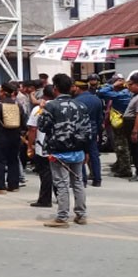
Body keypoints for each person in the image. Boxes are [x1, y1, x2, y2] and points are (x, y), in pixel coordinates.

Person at [40, 74, 90, 228]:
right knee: (78, 182)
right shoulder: (81, 106)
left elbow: (43, 126)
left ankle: (62, 217)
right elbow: (88, 130)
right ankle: (81, 215)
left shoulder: (51, 106)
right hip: (78, 150)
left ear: (55, 88)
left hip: (58, 150)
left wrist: (42, 109)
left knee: (61, 184)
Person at [0, 82, 25, 192]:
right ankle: (13, 185)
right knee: (13, 160)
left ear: (3, 92)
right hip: (15, 137)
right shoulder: (17, 105)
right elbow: (23, 121)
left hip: (1, 136)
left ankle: (0, 186)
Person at [98, 75, 133, 177]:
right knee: (121, 146)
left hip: (121, 123)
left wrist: (112, 85)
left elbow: (101, 92)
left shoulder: (122, 95)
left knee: (122, 146)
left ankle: (125, 169)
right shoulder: (126, 92)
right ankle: (121, 165)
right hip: (125, 121)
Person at [27, 84, 55, 207]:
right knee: (59, 173)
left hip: (42, 145)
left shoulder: (39, 109)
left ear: (44, 95)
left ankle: (45, 199)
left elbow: (33, 129)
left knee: (45, 173)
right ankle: (61, 197)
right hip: (60, 145)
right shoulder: (62, 107)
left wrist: (29, 145)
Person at [74, 81, 104, 186]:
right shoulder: (97, 99)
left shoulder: (76, 101)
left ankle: (82, 180)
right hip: (93, 129)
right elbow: (100, 118)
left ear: (78, 88)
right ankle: (97, 179)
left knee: (81, 154)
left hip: (81, 130)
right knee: (94, 154)